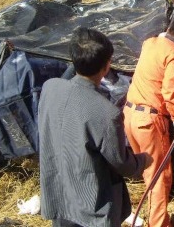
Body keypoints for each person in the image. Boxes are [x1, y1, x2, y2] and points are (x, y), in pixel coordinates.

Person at [38, 27, 152, 227]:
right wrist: (143, 160)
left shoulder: (50, 88)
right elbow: (121, 163)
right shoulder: (107, 113)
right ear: (107, 66)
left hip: (60, 195)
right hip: (91, 205)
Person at [123, 16, 174, 227]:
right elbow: (170, 91)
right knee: (159, 177)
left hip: (130, 115)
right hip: (150, 121)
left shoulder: (150, 43)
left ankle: (151, 214)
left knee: (148, 171)